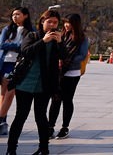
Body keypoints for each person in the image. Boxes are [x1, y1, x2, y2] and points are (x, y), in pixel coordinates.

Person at [6, 8, 65, 155]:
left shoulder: (57, 39)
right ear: (42, 22)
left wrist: (60, 43)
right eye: (49, 21)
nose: (52, 25)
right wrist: (43, 41)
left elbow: (65, 58)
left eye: (55, 22)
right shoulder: (32, 35)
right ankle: (11, 149)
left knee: (41, 117)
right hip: (25, 83)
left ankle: (44, 149)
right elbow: (25, 51)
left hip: (44, 86)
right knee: (21, 116)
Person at [48, 13, 89, 140]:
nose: (66, 25)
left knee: (67, 99)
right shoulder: (61, 34)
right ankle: (50, 127)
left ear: (75, 24)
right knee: (55, 99)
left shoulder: (82, 38)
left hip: (72, 72)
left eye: (69, 23)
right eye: (65, 22)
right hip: (58, 72)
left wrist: (65, 59)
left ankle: (65, 127)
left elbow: (82, 56)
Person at [0, 7, 33, 136]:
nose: (14, 17)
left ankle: (1, 120)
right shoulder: (7, 30)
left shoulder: (31, 31)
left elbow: (27, 48)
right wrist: (18, 46)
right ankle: (3, 122)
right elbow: (2, 44)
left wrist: (14, 45)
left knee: (10, 93)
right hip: (5, 63)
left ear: (25, 15)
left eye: (18, 14)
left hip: (19, 64)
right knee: (3, 94)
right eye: (13, 14)